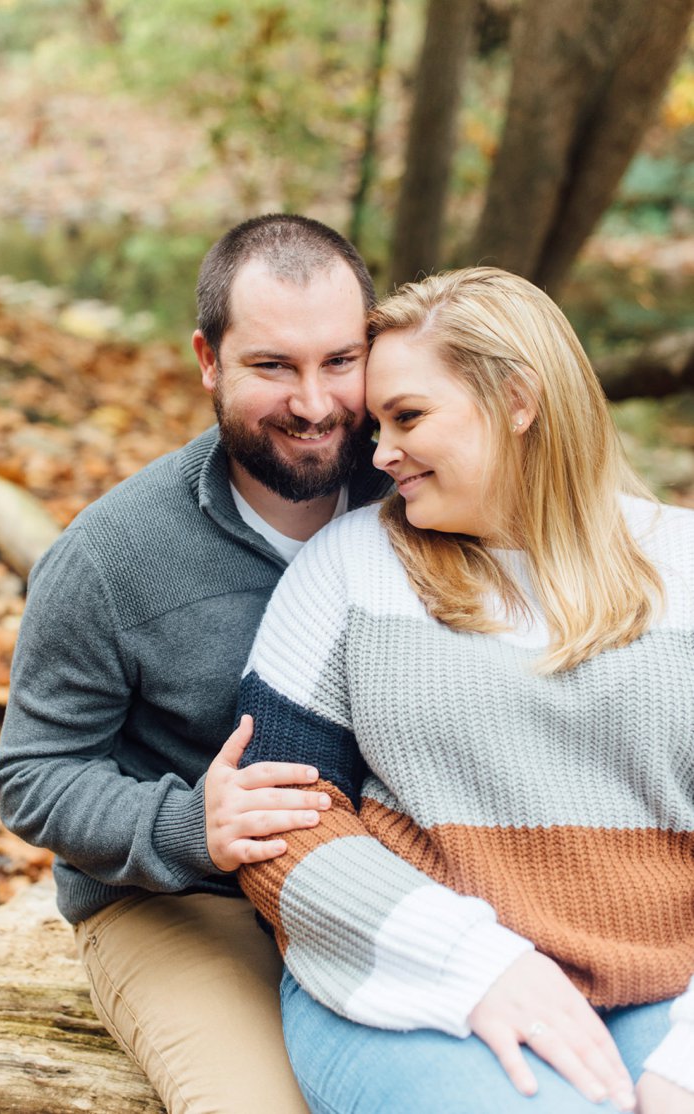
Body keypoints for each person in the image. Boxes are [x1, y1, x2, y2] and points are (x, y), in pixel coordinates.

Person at [235, 267, 694, 1113]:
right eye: (377, 423)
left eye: (409, 417)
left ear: (519, 400)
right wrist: (475, 962)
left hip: (666, 980)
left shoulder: (685, 567)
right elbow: (281, 826)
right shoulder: (347, 569)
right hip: (408, 981)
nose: (379, 453)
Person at [0, 214, 391, 1112]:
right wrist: (188, 826)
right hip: (185, 900)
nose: (317, 403)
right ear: (208, 360)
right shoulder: (108, 557)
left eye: (340, 360)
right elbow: (33, 778)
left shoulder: (423, 493)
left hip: (397, 872)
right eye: (273, 367)